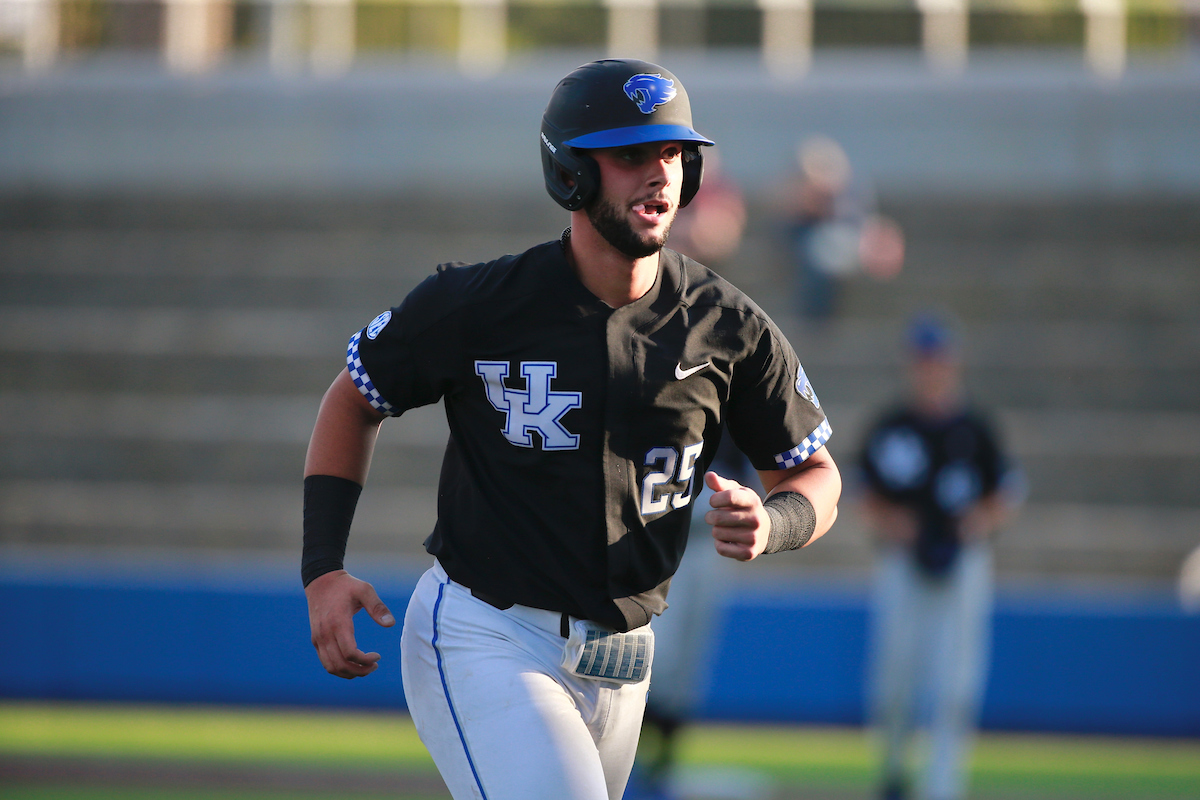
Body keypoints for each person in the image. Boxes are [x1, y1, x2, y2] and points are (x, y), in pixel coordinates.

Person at [301, 58, 842, 800]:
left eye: (673, 155)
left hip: (624, 658)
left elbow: (815, 474)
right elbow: (354, 398)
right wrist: (322, 567)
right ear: (569, 173)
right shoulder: (480, 303)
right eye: (630, 156)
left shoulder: (730, 327)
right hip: (488, 632)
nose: (659, 175)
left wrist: (775, 522)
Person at [859, 314, 1022, 800]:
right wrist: (893, 523)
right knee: (893, 679)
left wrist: (978, 521)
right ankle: (892, 771)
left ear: (953, 363)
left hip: (962, 561)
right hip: (903, 561)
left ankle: (942, 786)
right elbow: (861, 491)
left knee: (956, 683)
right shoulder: (892, 426)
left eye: (938, 358)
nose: (931, 368)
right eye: (923, 359)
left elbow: (1006, 493)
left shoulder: (976, 427)